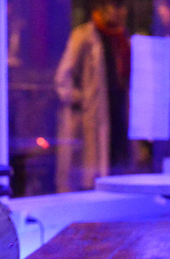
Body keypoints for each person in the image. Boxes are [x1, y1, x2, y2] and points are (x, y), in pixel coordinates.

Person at [54, 0, 132, 193]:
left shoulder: (122, 38)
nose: (122, 12)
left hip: (117, 117)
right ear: (103, 8)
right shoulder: (83, 36)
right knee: (90, 177)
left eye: (123, 7)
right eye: (117, 6)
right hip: (91, 120)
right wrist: (83, 100)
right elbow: (62, 79)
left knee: (116, 170)